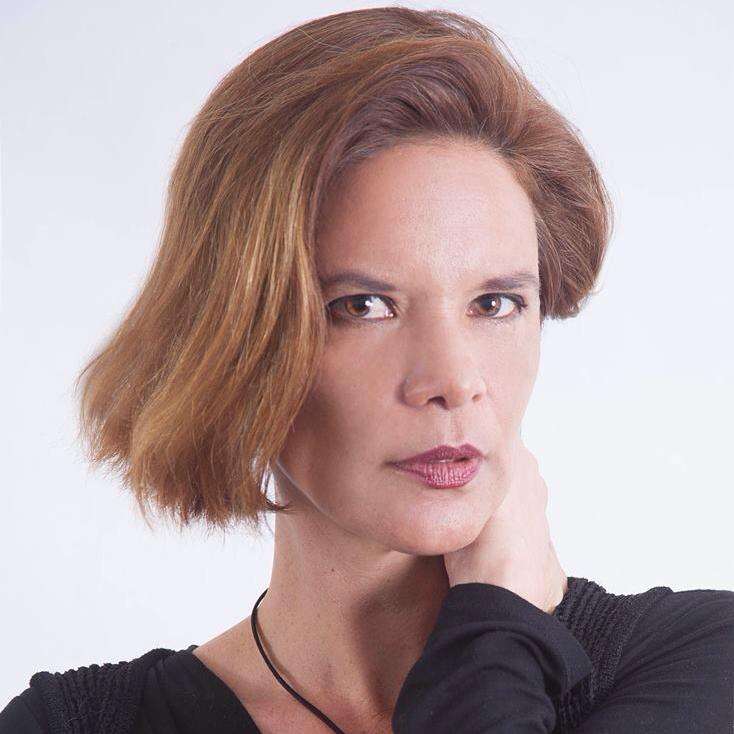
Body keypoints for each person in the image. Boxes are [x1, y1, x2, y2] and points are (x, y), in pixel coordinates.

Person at [2, 7, 733, 733]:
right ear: (234, 341)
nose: (454, 379)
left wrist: (496, 631)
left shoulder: (704, 666)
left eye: (495, 303)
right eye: (364, 306)